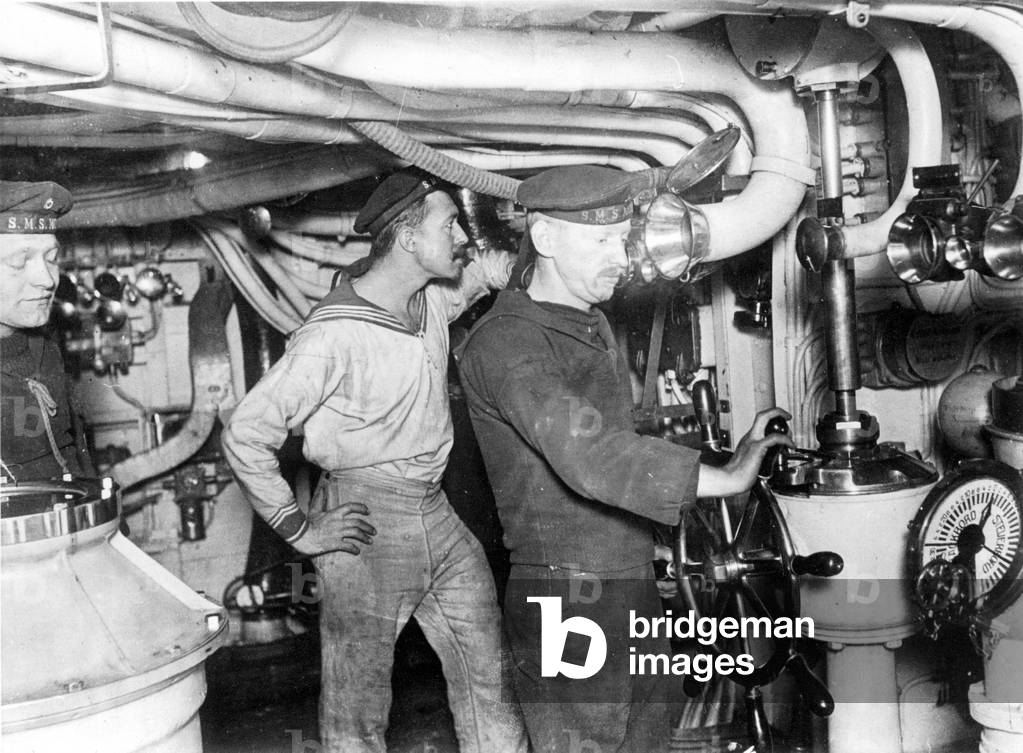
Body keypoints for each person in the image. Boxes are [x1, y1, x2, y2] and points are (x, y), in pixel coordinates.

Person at [456, 165, 793, 753]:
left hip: (628, 581)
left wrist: (723, 457)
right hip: (568, 595)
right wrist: (730, 477)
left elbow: (617, 438)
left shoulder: (591, 322)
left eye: (621, 237)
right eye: (600, 239)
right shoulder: (506, 343)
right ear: (546, 239)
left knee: (649, 740)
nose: (620, 255)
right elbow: (591, 456)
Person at [222, 172, 527, 753]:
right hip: (366, 519)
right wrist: (300, 530)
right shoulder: (330, 337)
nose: (462, 234)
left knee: (490, 679)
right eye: (449, 225)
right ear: (408, 240)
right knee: (356, 713)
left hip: (434, 509)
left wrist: (549, 250)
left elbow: (489, 270)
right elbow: (246, 433)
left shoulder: (432, 296)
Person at [1, 180, 92, 481]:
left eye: (51, 259)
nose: (47, 279)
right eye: (19, 262)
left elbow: (72, 456)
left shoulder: (47, 350)